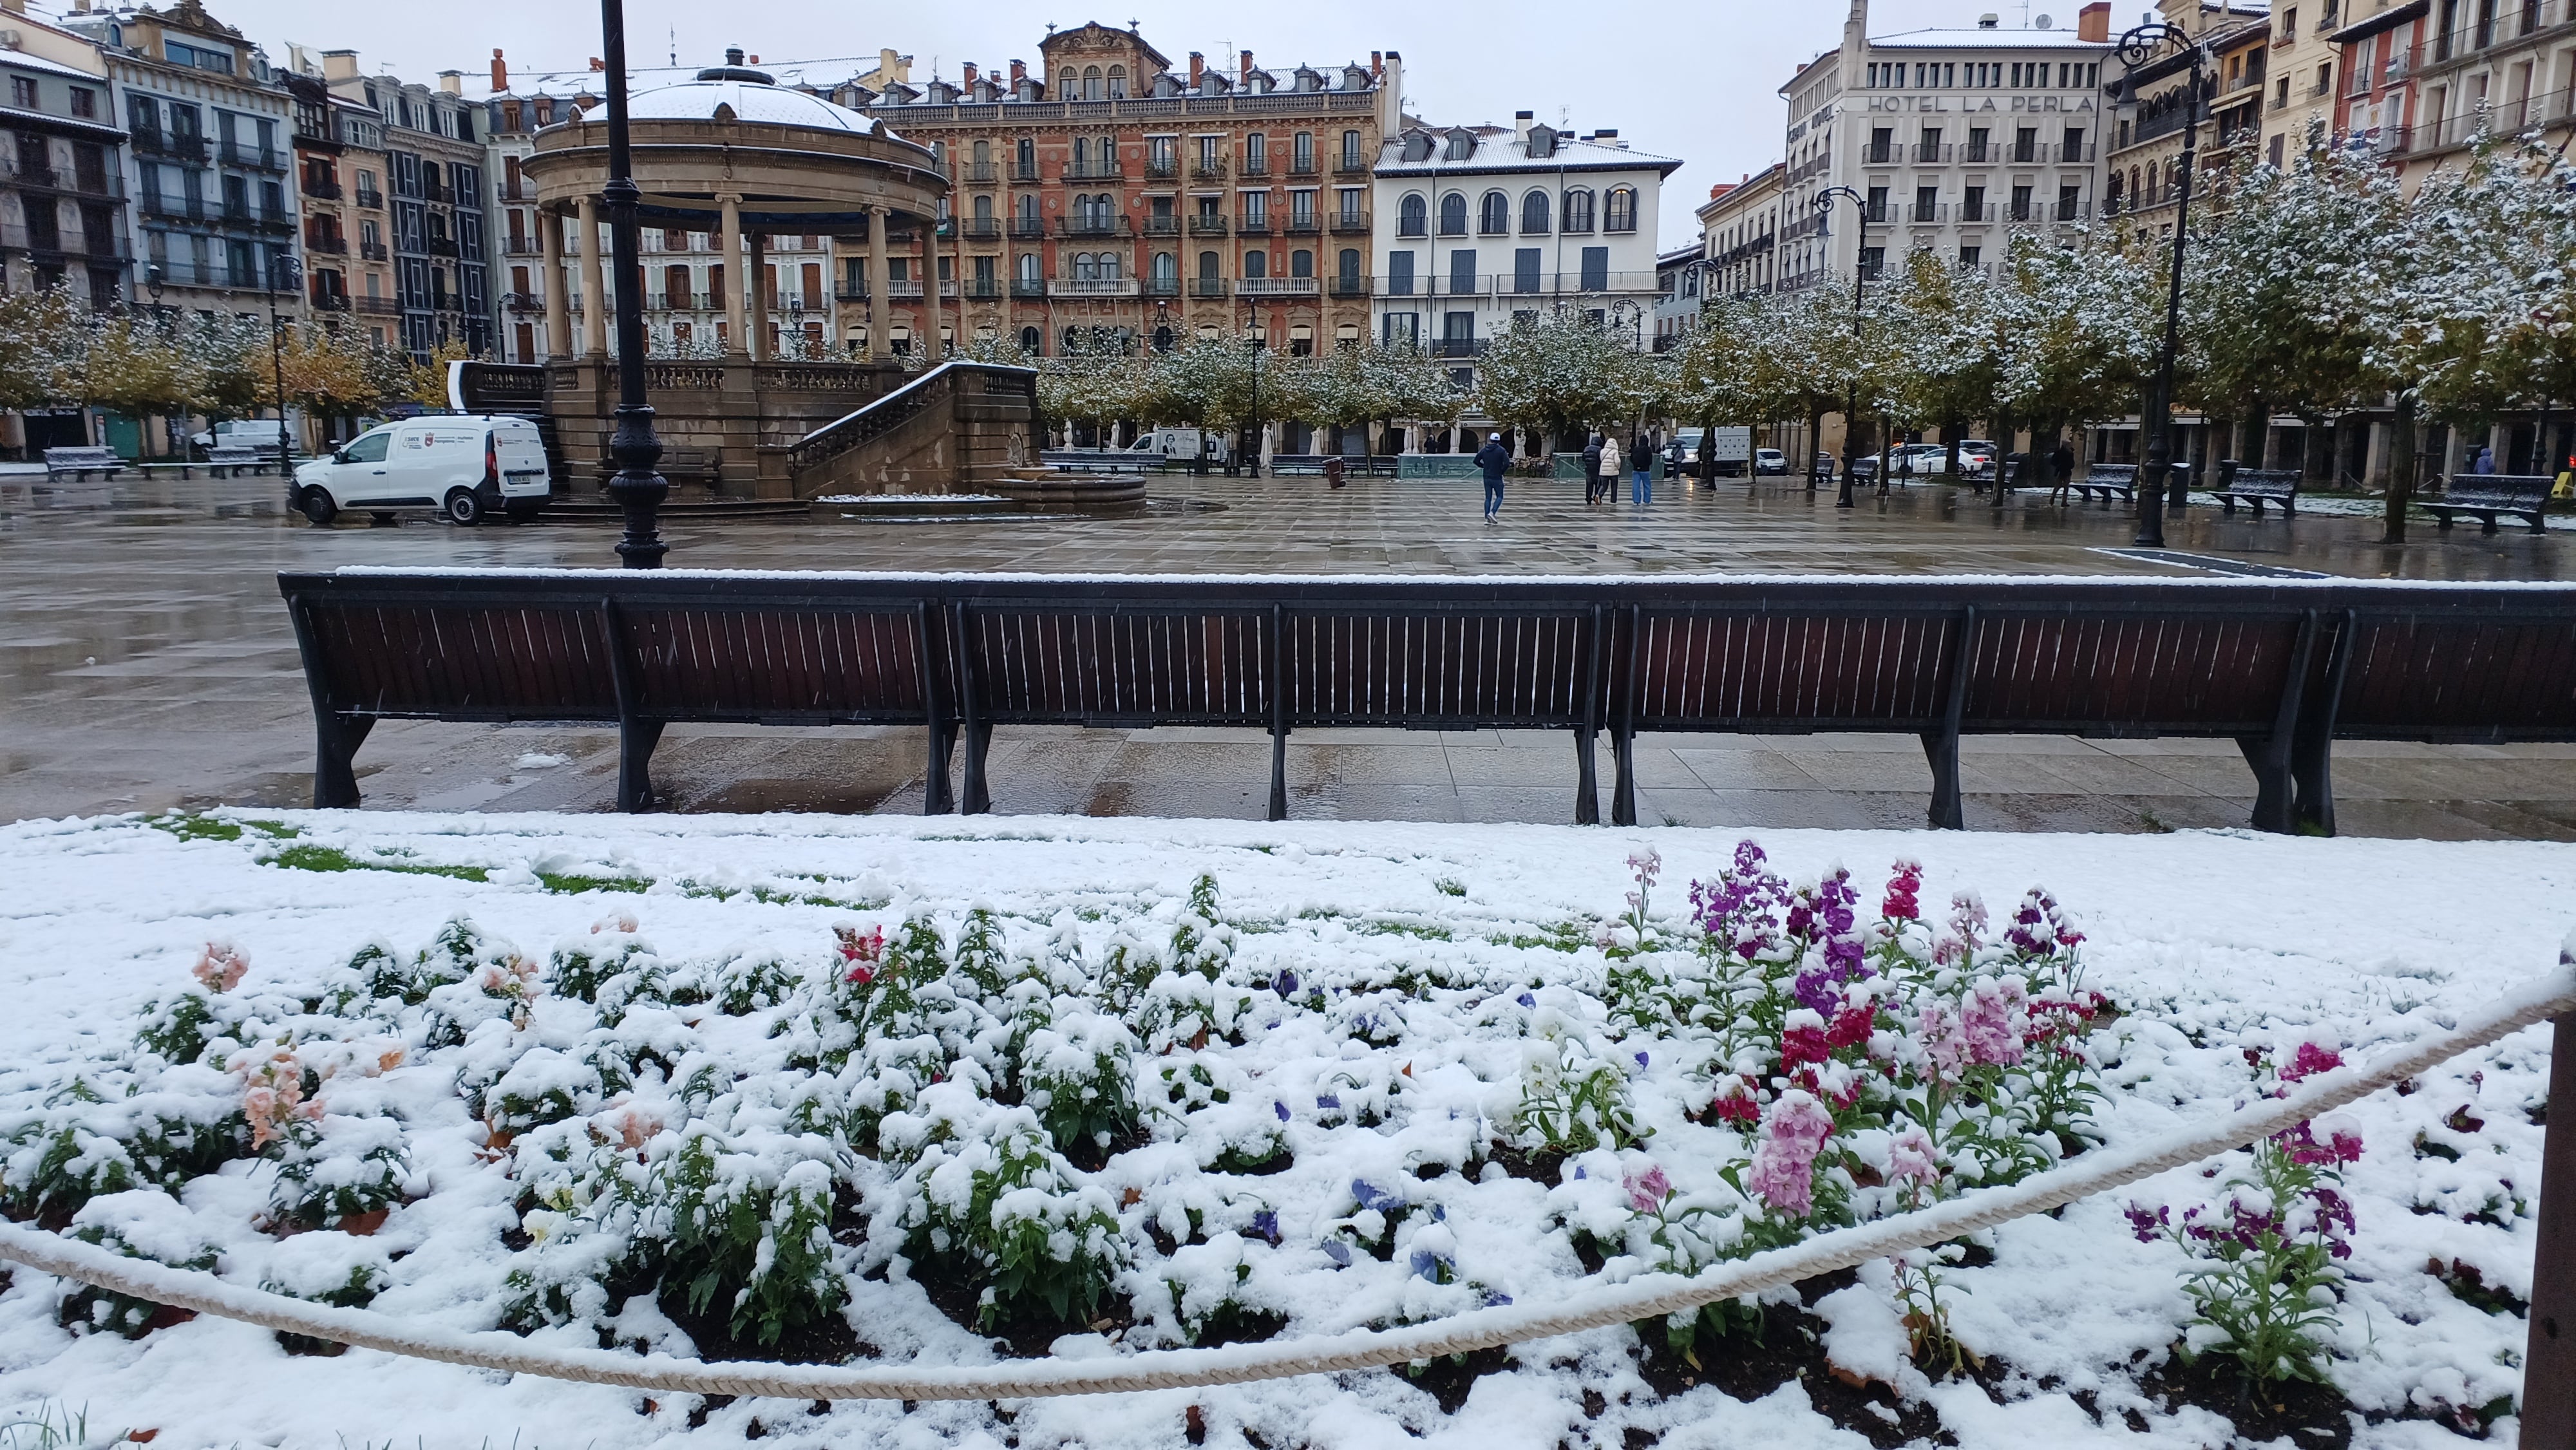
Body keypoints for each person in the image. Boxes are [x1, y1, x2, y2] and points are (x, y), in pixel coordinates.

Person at [1475, 431, 1511, 523]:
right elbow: (1507, 463)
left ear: (1490, 440)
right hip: (1497, 477)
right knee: (1500, 496)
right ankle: (1492, 512)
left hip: (1486, 476)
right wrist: (1502, 471)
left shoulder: (1484, 450)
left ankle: (1487, 518)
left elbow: (1476, 461)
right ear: (1499, 441)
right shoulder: (1501, 451)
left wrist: (1483, 466)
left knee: (1488, 498)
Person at [2049, 438, 2078, 505]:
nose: (2070, 445)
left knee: (2060, 486)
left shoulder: (2062, 452)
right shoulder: (2067, 453)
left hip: (2063, 471)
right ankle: (2061, 500)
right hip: (2064, 471)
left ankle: (2056, 498)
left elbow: (2053, 461)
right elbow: (2071, 463)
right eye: (2069, 444)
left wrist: (2059, 466)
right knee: (2063, 486)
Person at [1598, 432, 1624, 505]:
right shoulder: (1615, 451)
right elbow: (1618, 461)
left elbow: (1601, 459)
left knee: (1604, 486)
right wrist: (1618, 468)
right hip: (1613, 472)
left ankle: (1599, 495)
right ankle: (1613, 500)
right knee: (1614, 487)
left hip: (1603, 472)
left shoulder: (1602, 451)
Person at [1629, 433, 1654, 506]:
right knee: (1647, 485)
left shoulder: (1635, 449)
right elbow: (1650, 460)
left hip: (1636, 469)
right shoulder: (1648, 449)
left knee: (1636, 485)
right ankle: (1647, 500)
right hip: (1645, 470)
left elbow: (1631, 458)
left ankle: (1636, 500)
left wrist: (1635, 465)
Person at [1580, 433, 1605, 505]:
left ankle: (1588, 499)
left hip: (1588, 469)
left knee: (1589, 485)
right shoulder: (1600, 450)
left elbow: (1583, 458)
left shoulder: (1586, 448)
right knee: (1598, 484)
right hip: (1597, 469)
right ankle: (1597, 497)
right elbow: (1601, 459)